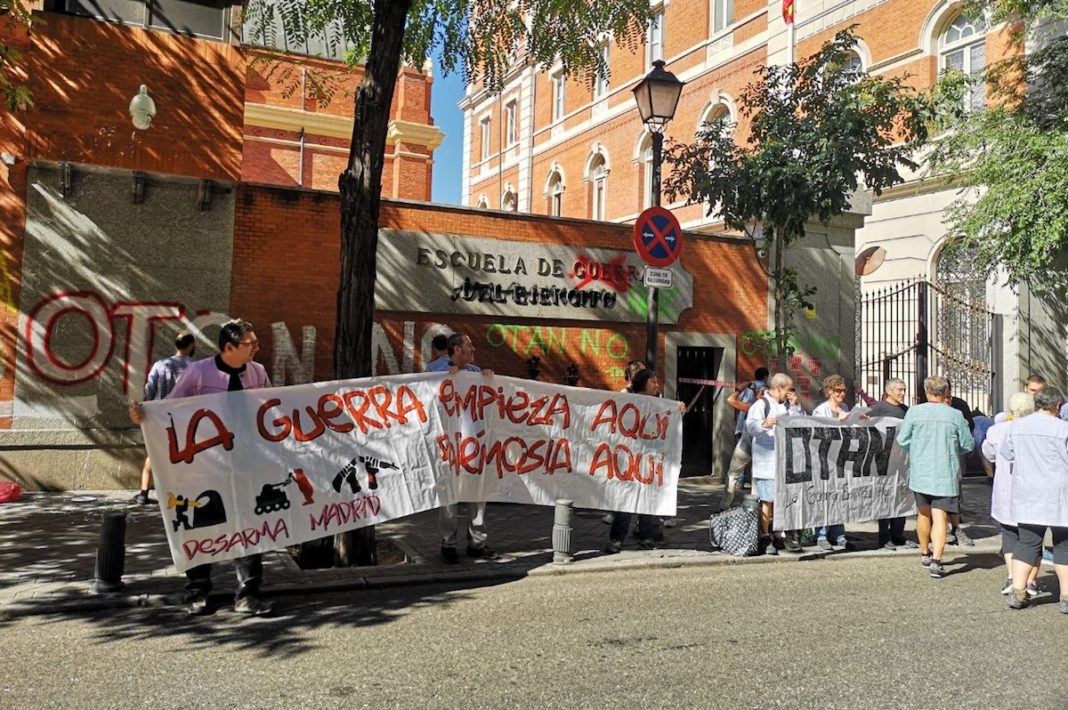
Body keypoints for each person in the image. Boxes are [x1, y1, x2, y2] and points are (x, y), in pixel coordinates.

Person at [130, 319, 272, 616]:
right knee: (200, 524)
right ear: (229, 347)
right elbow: (170, 408)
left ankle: (248, 594)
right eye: (251, 344)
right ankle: (198, 591)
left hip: (245, 463)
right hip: (204, 466)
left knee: (248, 527)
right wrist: (143, 416)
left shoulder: (258, 372)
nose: (257, 349)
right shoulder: (198, 372)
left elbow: (269, 407)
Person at [896, 375, 975, 579]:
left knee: (923, 514)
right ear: (945, 393)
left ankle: (924, 552)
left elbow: (903, 439)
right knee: (940, 516)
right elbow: (968, 444)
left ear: (926, 391)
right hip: (945, 473)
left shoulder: (914, 411)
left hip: (921, 472)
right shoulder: (955, 415)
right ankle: (937, 561)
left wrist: (919, 448)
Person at [429, 333, 498, 563]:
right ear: (456, 349)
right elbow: (428, 400)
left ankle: (477, 542)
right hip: (449, 446)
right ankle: (448, 544)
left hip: (474, 446)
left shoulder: (476, 373)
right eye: (469, 346)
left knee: (477, 495)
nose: (473, 349)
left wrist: (489, 378)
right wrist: (445, 382)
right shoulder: (434, 372)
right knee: (449, 497)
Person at [1001, 386, 1068, 613]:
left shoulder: (1016, 426)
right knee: (1064, 544)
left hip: (1027, 491)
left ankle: (1018, 591)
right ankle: (1066, 595)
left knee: (1027, 542)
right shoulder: (1063, 429)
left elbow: (1007, 454)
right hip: (1060, 492)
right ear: (1057, 406)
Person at [981, 392, 1040, 598]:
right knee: (1032, 536)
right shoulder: (1037, 429)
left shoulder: (996, 430)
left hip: (1006, 488)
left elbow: (988, 454)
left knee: (1009, 534)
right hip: (1032, 489)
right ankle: (1031, 579)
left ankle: (1012, 575)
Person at [604, 369, 665, 553]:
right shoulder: (626, 402)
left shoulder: (659, 403)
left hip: (648, 460)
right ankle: (617, 539)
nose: (657, 385)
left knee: (646, 499)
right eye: (653, 381)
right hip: (628, 461)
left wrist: (678, 412)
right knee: (626, 501)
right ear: (643, 383)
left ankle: (645, 536)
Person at [131, 331, 195, 505]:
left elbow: (149, 390)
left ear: (176, 345)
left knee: (154, 453)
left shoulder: (160, 365)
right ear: (191, 345)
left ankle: (144, 493)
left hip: (160, 417)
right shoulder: (196, 366)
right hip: (185, 418)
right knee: (184, 454)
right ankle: (179, 494)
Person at [746, 373, 803, 555]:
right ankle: (765, 535)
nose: (789, 393)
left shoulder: (788, 406)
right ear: (778, 388)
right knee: (767, 500)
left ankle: (780, 534)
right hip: (767, 460)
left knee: (783, 499)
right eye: (788, 389)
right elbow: (751, 427)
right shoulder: (761, 405)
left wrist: (795, 407)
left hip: (785, 459)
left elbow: (799, 424)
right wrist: (765, 423)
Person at [867, 378, 917, 550]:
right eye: (900, 390)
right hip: (883, 460)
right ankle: (884, 536)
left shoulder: (906, 410)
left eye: (904, 389)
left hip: (902, 461)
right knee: (885, 497)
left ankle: (898, 534)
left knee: (901, 496)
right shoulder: (878, 409)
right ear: (889, 391)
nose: (903, 393)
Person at [811, 374, 853, 550]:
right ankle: (821, 533)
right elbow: (819, 433)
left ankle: (838, 532)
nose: (842, 394)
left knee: (840, 495)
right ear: (829, 391)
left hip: (840, 458)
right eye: (838, 391)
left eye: (844, 391)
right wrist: (838, 422)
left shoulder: (844, 407)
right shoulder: (820, 410)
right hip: (824, 459)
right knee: (825, 496)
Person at [603, 360, 646, 525]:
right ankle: (617, 513)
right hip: (627, 444)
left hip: (644, 445)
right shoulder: (624, 394)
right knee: (624, 480)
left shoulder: (653, 395)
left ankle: (641, 522)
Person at [723, 367, 769, 504]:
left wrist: (741, 389)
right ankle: (756, 510)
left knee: (734, 474)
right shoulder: (769, 407)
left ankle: (725, 505)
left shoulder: (752, 406)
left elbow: (731, 400)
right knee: (756, 477)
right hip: (759, 447)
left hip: (749, 443)